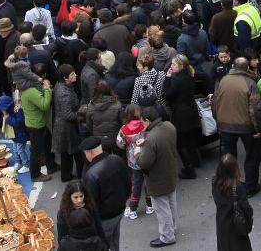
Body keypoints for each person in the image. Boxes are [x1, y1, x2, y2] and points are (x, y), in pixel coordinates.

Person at [212, 56, 261, 196]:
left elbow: (214, 102)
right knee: (251, 157)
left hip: (225, 126)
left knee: (228, 156)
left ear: (233, 67)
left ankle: (229, 184)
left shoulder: (222, 81)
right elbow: (255, 109)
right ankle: (250, 187)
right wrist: (258, 129)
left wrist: (218, 120)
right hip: (246, 127)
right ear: (247, 68)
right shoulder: (250, 83)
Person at [136, 107, 180, 248]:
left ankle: (167, 237)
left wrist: (138, 153)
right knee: (171, 202)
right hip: (171, 172)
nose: (142, 125)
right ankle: (172, 228)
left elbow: (144, 162)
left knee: (161, 208)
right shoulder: (169, 126)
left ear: (147, 121)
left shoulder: (152, 138)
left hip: (157, 178)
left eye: (142, 122)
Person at [81, 138, 131, 251]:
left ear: (89, 152)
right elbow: (128, 184)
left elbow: (92, 204)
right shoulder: (117, 159)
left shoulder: (92, 174)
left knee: (102, 245)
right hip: (120, 210)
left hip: (104, 218)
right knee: (114, 240)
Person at [162, 55, 200, 179]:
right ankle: (195, 161)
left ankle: (189, 169)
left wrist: (167, 79)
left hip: (181, 114)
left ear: (181, 66)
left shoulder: (177, 80)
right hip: (191, 111)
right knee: (191, 139)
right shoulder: (190, 75)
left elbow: (167, 94)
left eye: (173, 64)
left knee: (181, 143)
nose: (171, 67)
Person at [213, 153, 255, 251]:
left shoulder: (214, 182)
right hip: (236, 226)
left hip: (222, 223)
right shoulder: (237, 187)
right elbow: (246, 208)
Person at [22, 73, 54, 182]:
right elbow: (44, 105)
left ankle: (51, 165)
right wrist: (47, 90)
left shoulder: (27, 89)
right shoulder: (31, 92)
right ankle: (35, 174)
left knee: (47, 143)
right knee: (36, 151)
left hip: (37, 123)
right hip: (36, 125)